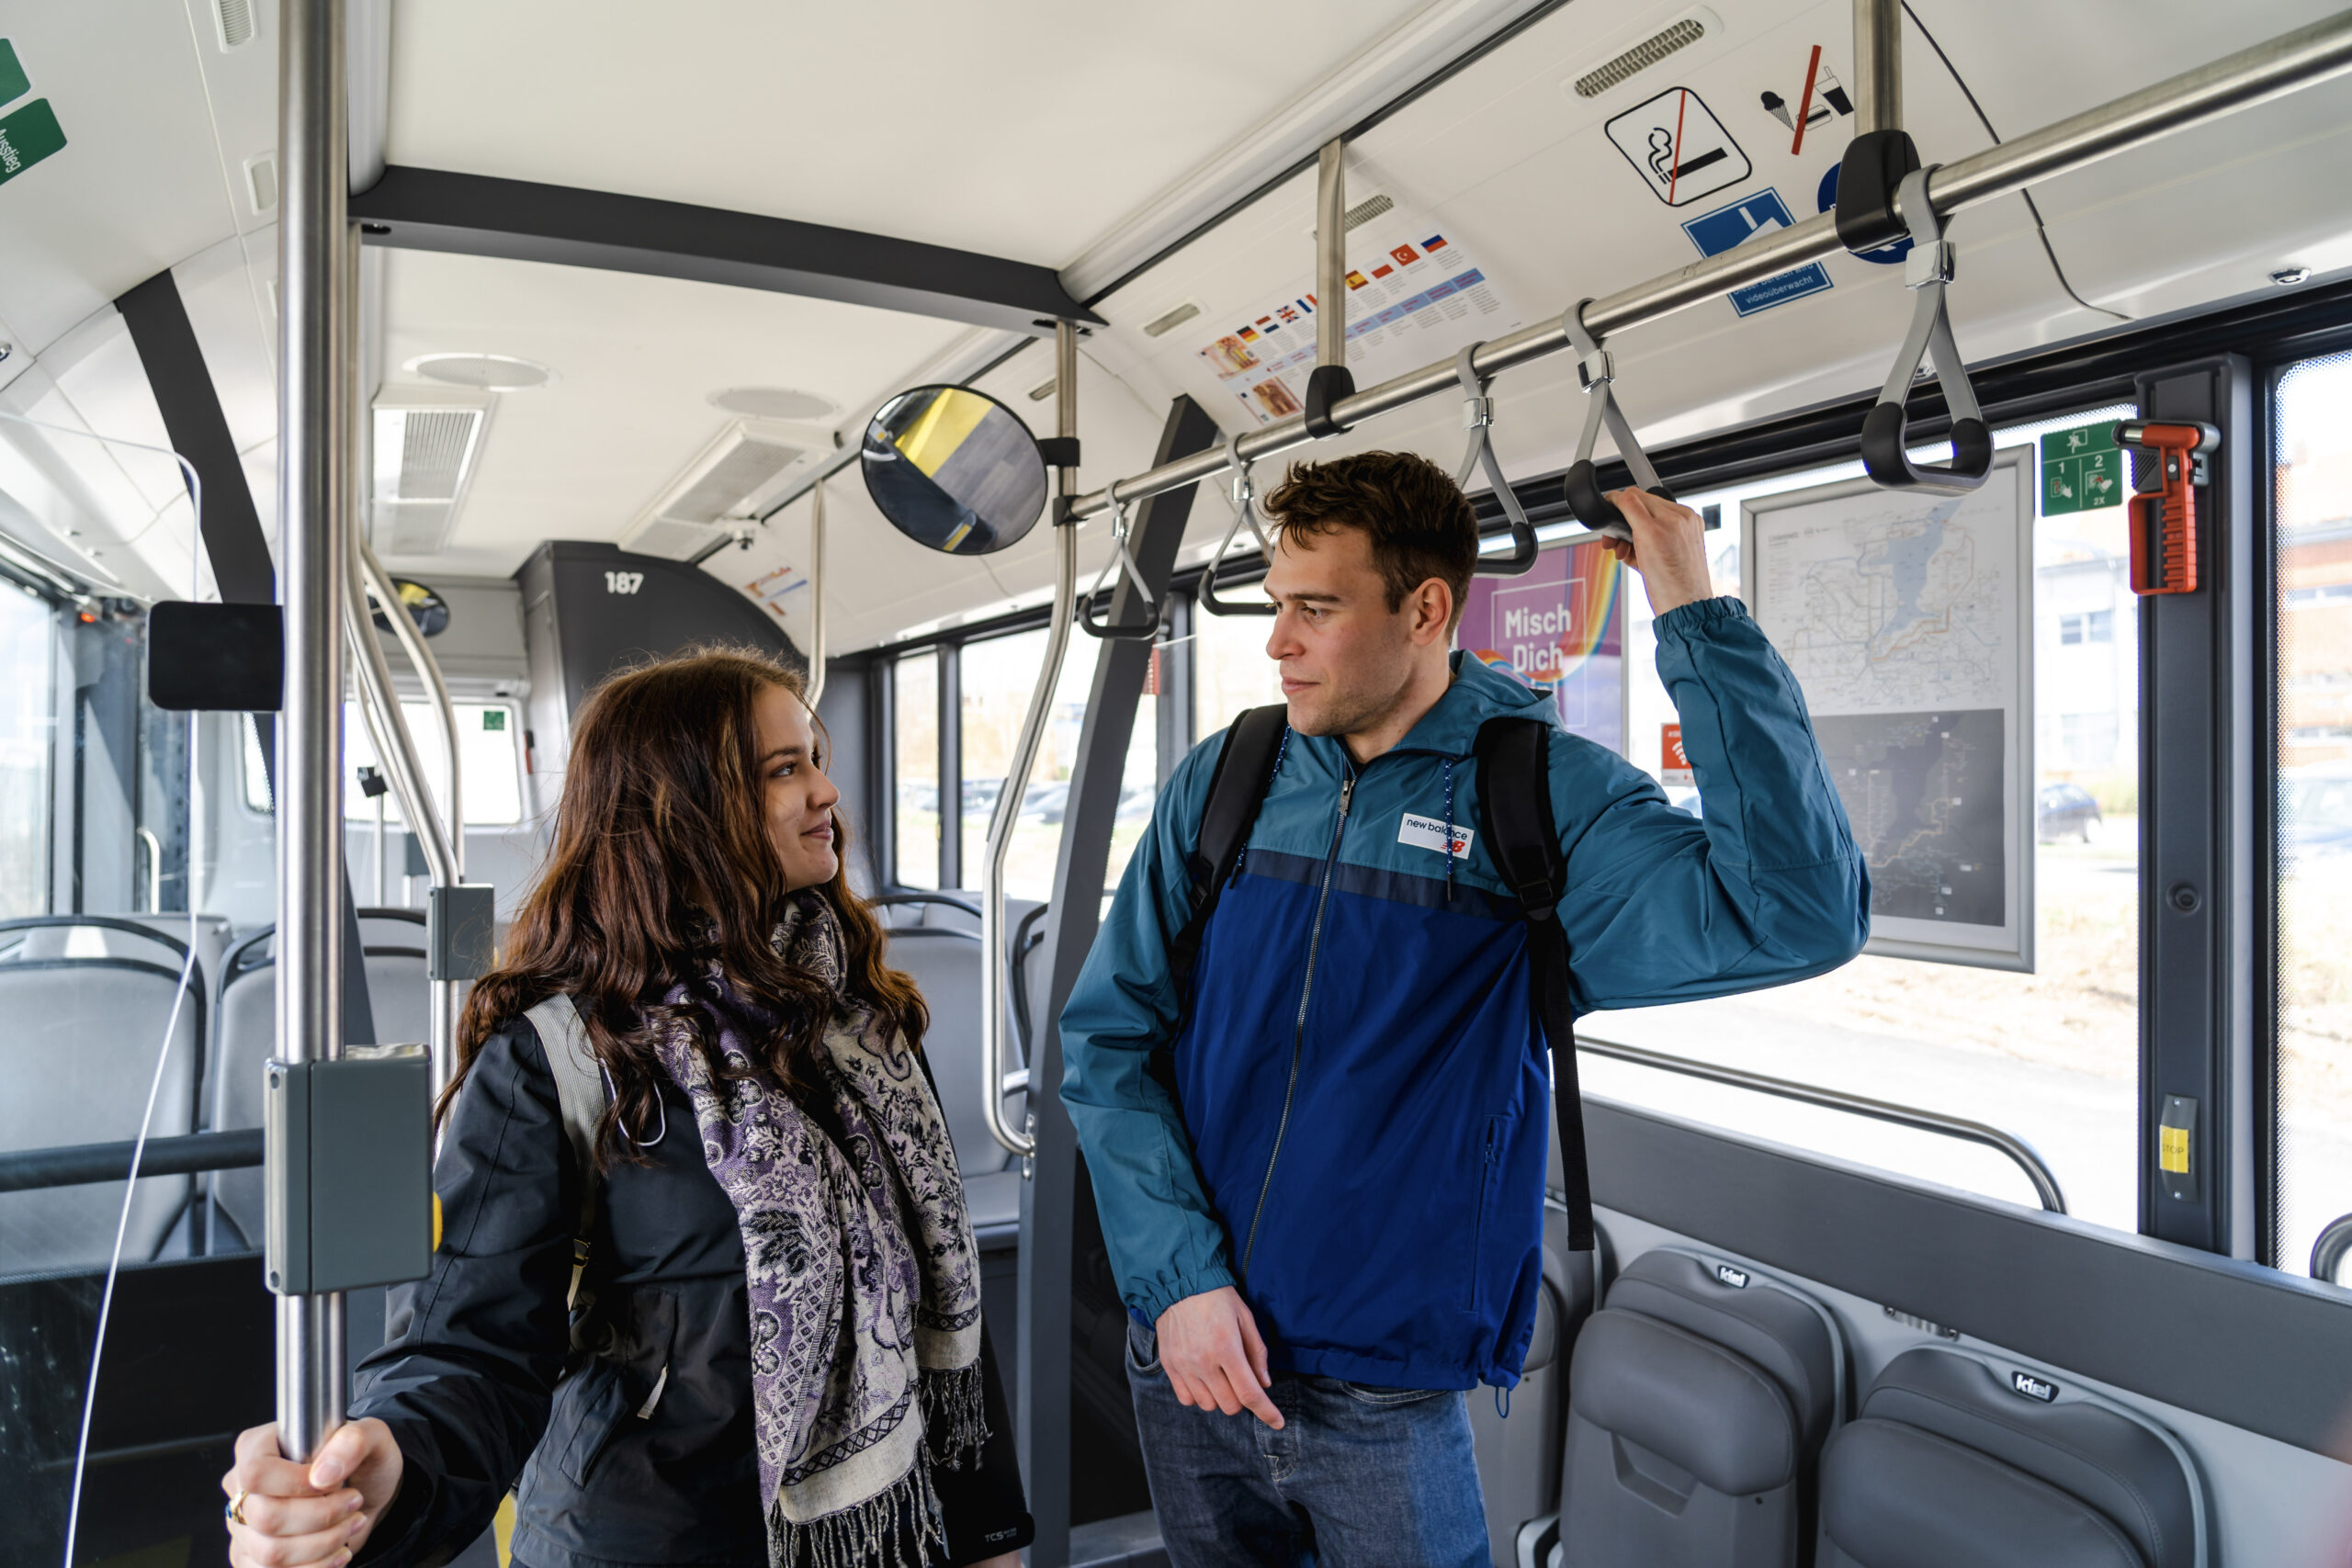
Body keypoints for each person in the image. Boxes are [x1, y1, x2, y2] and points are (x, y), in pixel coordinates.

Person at [1059, 452, 1869, 1567]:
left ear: (1426, 607)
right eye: (1275, 606)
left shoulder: (1539, 801)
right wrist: (1181, 1283)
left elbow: (1799, 912)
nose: (1276, 641)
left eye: (1315, 608)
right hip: (1189, 1353)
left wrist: (1692, 606)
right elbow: (1109, 1042)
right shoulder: (1229, 779)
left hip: (1380, 1391)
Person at [220, 649, 1031, 1568]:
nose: (826, 792)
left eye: (814, 758)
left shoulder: (863, 1027)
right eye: (784, 769)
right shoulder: (560, 1054)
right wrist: (389, 1470)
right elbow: (474, 1343)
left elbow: (933, 1299)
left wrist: (987, 1530)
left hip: (887, 1530)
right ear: (682, 809)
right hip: (655, 1534)